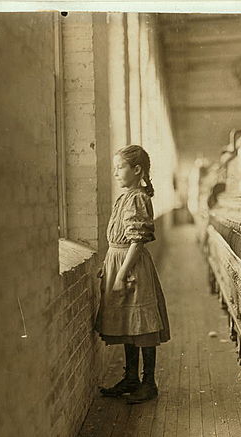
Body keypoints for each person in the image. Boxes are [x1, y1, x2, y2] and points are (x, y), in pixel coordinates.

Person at [94, 144, 171, 404]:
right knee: (129, 322)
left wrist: (121, 273)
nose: (116, 173)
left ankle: (149, 383)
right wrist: (108, 266)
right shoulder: (126, 196)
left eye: (120, 168)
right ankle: (131, 379)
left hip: (132, 265)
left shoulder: (138, 197)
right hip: (119, 260)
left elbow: (137, 241)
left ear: (136, 169)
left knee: (143, 325)